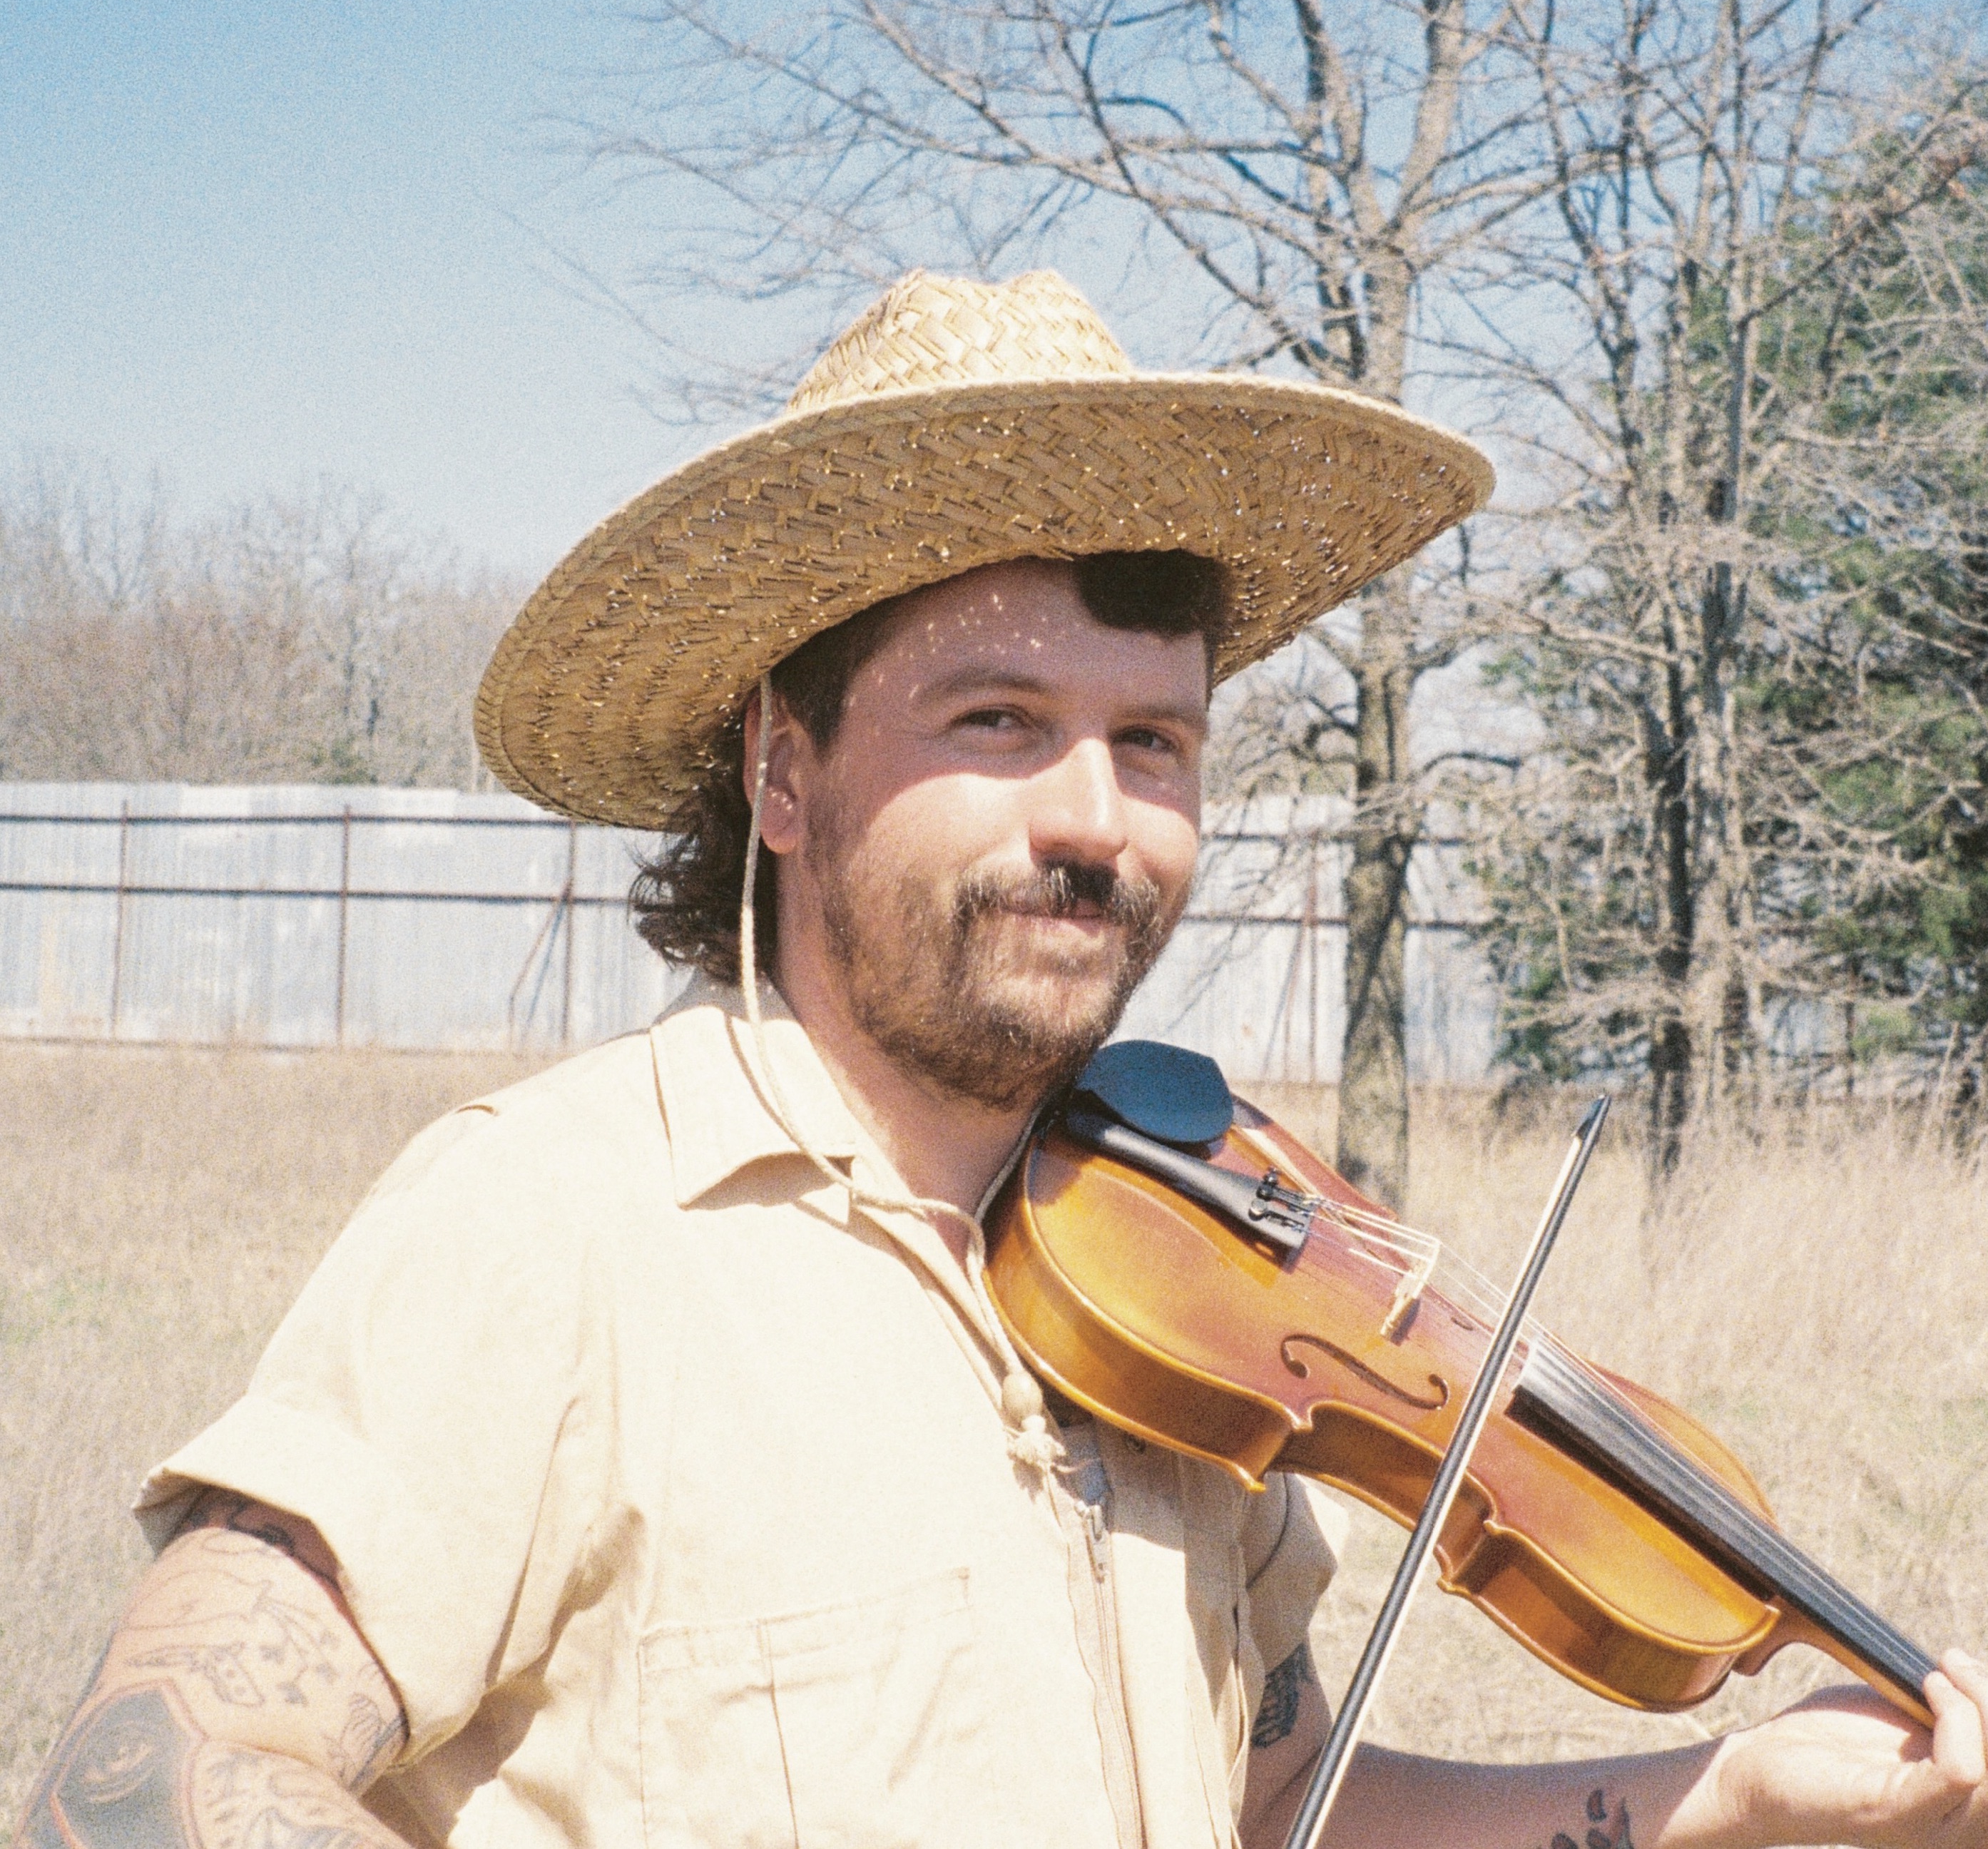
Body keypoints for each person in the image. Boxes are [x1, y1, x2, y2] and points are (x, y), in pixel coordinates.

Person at [13, 271, 1987, 1849]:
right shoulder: (555, 1222)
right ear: (782, 769)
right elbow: (152, 1785)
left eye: (1153, 742)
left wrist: (1724, 1794)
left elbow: (1269, 1795)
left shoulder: (1195, 1294)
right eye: (995, 717)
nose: (1095, 818)